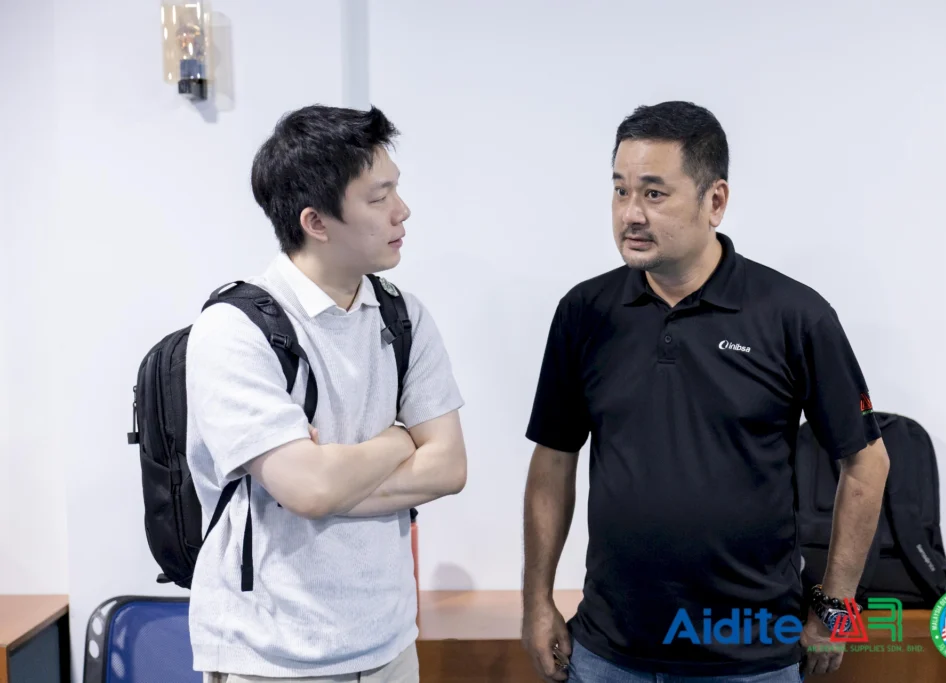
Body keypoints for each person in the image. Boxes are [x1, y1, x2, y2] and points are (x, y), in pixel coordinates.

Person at [521, 101, 890, 682]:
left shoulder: (794, 315)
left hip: (752, 657)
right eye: (620, 191)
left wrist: (837, 607)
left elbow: (867, 461)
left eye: (654, 193)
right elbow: (552, 461)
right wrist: (536, 600)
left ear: (715, 201)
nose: (630, 214)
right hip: (607, 654)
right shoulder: (585, 312)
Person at [185, 105, 467, 682]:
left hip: (390, 645)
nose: (402, 210)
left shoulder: (403, 316)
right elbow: (309, 488)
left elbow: (448, 467)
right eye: (379, 197)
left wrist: (325, 480)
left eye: (396, 189)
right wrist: (399, 440)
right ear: (316, 222)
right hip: (270, 657)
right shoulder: (235, 329)